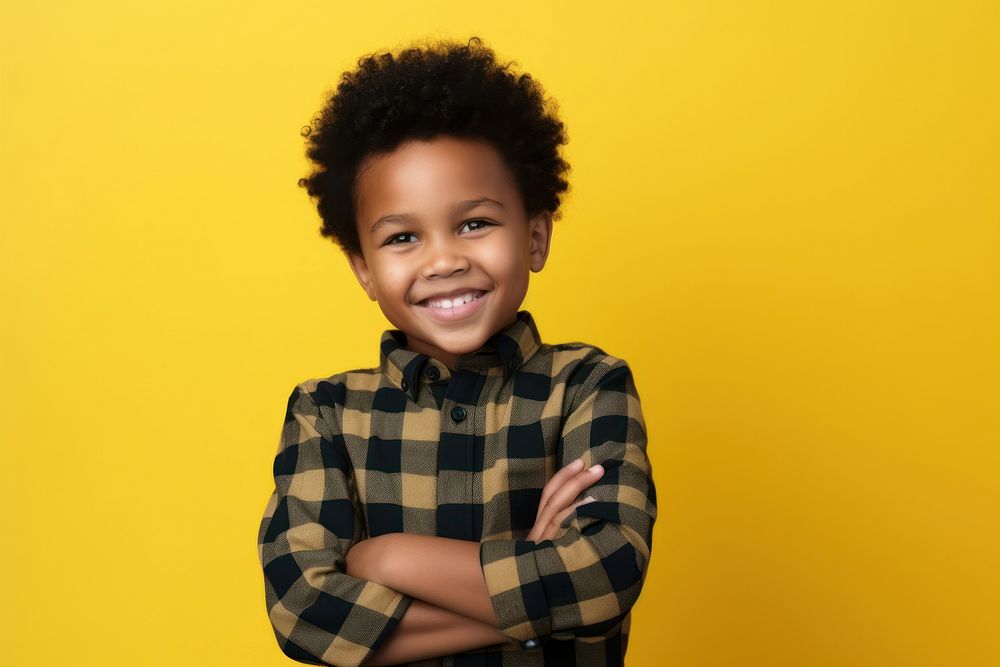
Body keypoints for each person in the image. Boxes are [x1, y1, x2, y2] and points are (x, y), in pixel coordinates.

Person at [257, 35, 657, 667]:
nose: (443, 260)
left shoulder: (587, 384)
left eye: (475, 223)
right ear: (363, 269)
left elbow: (604, 576)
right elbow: (303, 613)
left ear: (534, 236)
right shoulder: (327, 412)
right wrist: (534, 583)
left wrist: (387, 558)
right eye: (403, 236)